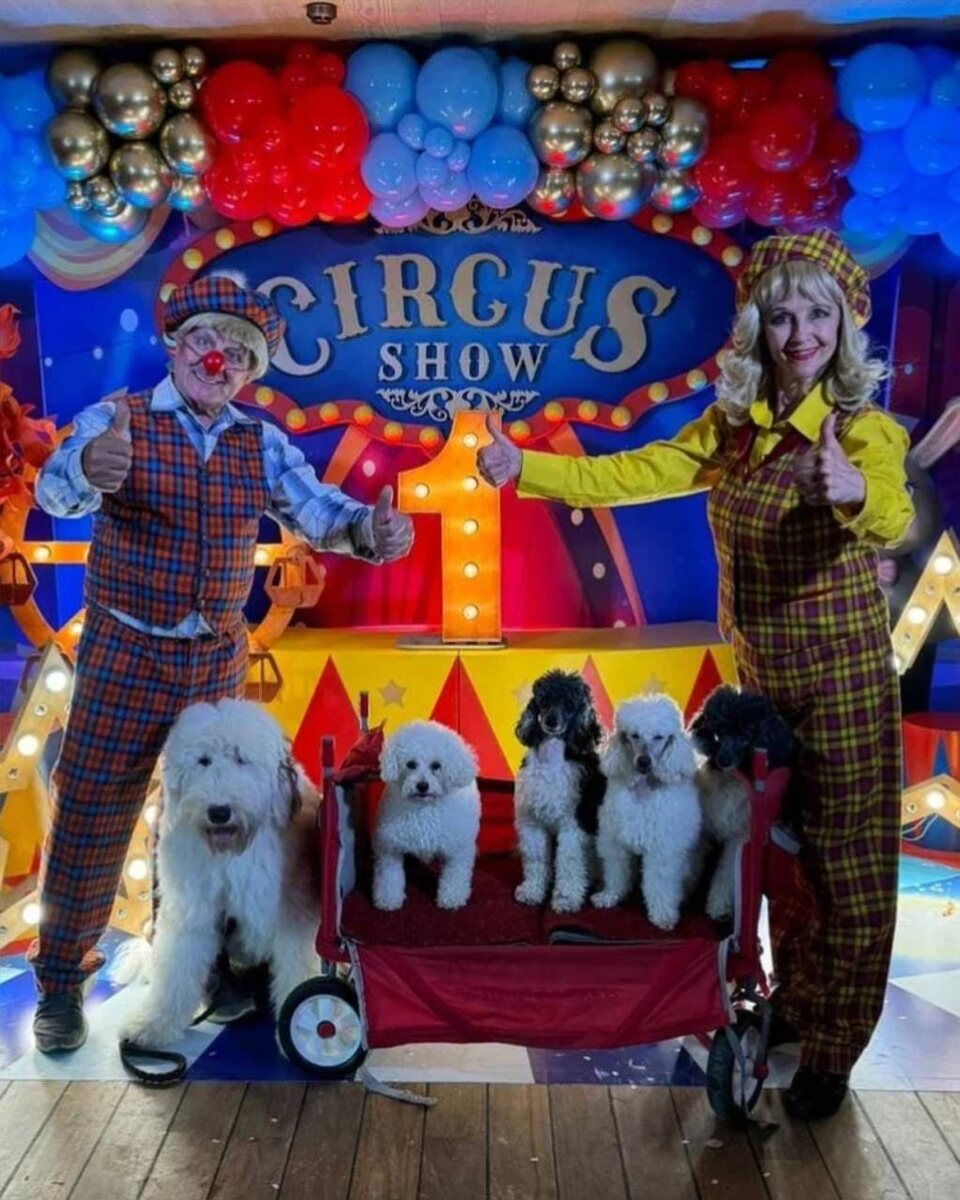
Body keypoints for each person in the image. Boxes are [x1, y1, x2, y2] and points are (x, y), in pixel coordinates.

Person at [478, 228, 914, 1121]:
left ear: (844, 323)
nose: (800, 333)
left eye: (818, 314)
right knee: (779, 859)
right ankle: (797, 1003)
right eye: (782, 315)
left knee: (848, 867)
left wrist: (854, 492)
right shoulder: (738, 429)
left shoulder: (860, 430)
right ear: (757, 326)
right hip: (759, 683)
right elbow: (645, 470)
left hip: (842, 679)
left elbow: (894, 514)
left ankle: (835, 1049)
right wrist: (529, 468)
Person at [30, 273, 414, 1054]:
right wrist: (88, 469)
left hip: (212, 662)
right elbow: (55, 490)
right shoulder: (119, 419)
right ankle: (62, 982)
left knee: (229, 818)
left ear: (248, 373)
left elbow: (317, 510)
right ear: (177, 346)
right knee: (93, 813)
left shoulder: (258, 442)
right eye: (207, 342)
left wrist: (371, 532)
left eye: (238, 354)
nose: (219, 361)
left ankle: (220, 968)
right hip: (125, 651)